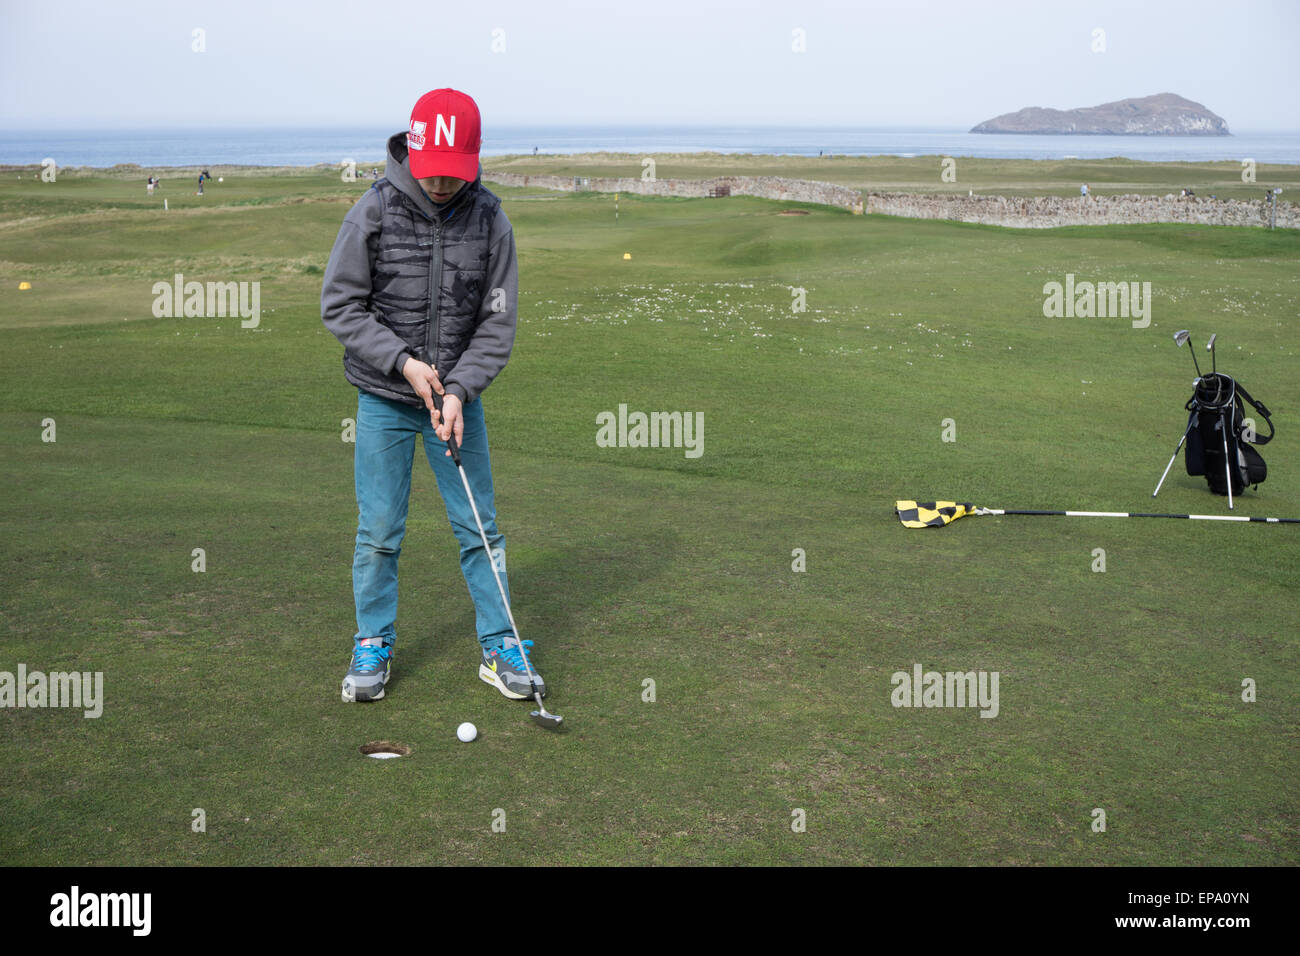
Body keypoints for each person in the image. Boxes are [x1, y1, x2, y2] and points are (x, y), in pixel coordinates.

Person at [321, 88, 539, 706]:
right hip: (385, 400)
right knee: (380, 531)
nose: (442, 182)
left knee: (480, 530)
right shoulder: (373, 210)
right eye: (432, 168)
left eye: (455, 170)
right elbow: (339, 305)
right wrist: (403, 363)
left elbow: (498, 321)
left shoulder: (490, 218)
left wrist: (461, 389)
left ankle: (500, 645)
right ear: (413, 150)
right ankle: (372, 642)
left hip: (456, 406)